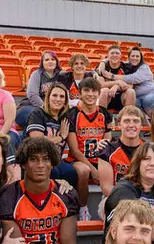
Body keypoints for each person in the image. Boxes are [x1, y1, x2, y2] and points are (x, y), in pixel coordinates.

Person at [103, 142, 154, 244]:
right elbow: (137, 228)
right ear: (138, 163)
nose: (152, 164)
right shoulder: (124, 189)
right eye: (146, 159)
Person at [65, 76, 112, 221]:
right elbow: (74, 150)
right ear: (79, 93)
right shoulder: (72, 114)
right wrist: (93, 169)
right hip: (78, 159)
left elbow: (108, 140)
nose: (90, 94)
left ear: (99, 93)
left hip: (99, 158)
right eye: (86, 90)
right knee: (84, 171)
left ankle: (108, 207)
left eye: (94, 91)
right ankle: (83, 208)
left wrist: (101, 165)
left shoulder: (105, 113)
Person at [26, 81, 78, 189]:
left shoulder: (65, 119)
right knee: (53, 172)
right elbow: (37, 141)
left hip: (56, 160)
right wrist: (61, 137)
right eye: (54, 95)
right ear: (48, 98)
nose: (58, 99)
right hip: (38, 158)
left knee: (71, 172)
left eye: (61, 97)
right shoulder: (38, 114)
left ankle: (67, 202)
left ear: (65, 101)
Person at [95, 105, 145, 200]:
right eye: (126, 121)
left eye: (136, 121)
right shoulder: (107, 149)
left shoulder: (149, 150)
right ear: (119, 124)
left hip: (143, 199)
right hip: (116, 198)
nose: (131, 125)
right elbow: (107, 188)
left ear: (141, 126)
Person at [17, 50, 65, 128]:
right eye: (47, 60)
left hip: (52, 109)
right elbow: (32, 95)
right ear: (42, 63)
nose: (50, 61)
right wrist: (47, 110)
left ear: (56, 62)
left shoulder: (61, 76)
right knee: (37, 116)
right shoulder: (36, 74)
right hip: (32, 106)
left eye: (53, 59)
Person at [96, 45, 136, 113]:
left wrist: (116, 86)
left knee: (131, 91)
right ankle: (102, 118)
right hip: (107, 97)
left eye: (117, 53)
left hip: (121, 97)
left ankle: (128, 117)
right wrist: (117, 82)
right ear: (108, 56)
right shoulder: (102, 67)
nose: (115, 55)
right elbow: (101, 84)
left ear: (121, 56)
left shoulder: (127, 67)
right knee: (104, 90)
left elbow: (130, 85)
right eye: (112, 53)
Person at [120, 45, 154, 112]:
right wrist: (103, 62)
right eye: (133, 56)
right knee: (134, 104)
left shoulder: (144, 67)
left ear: (140, 58)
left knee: (147, 101)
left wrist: (113, 76)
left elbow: (133, 78)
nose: (135, 58)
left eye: (137, 56)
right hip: (138, 96)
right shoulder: (126, 66)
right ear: (129, 57)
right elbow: (114, 61)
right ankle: (144, 121)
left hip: (152, 92)